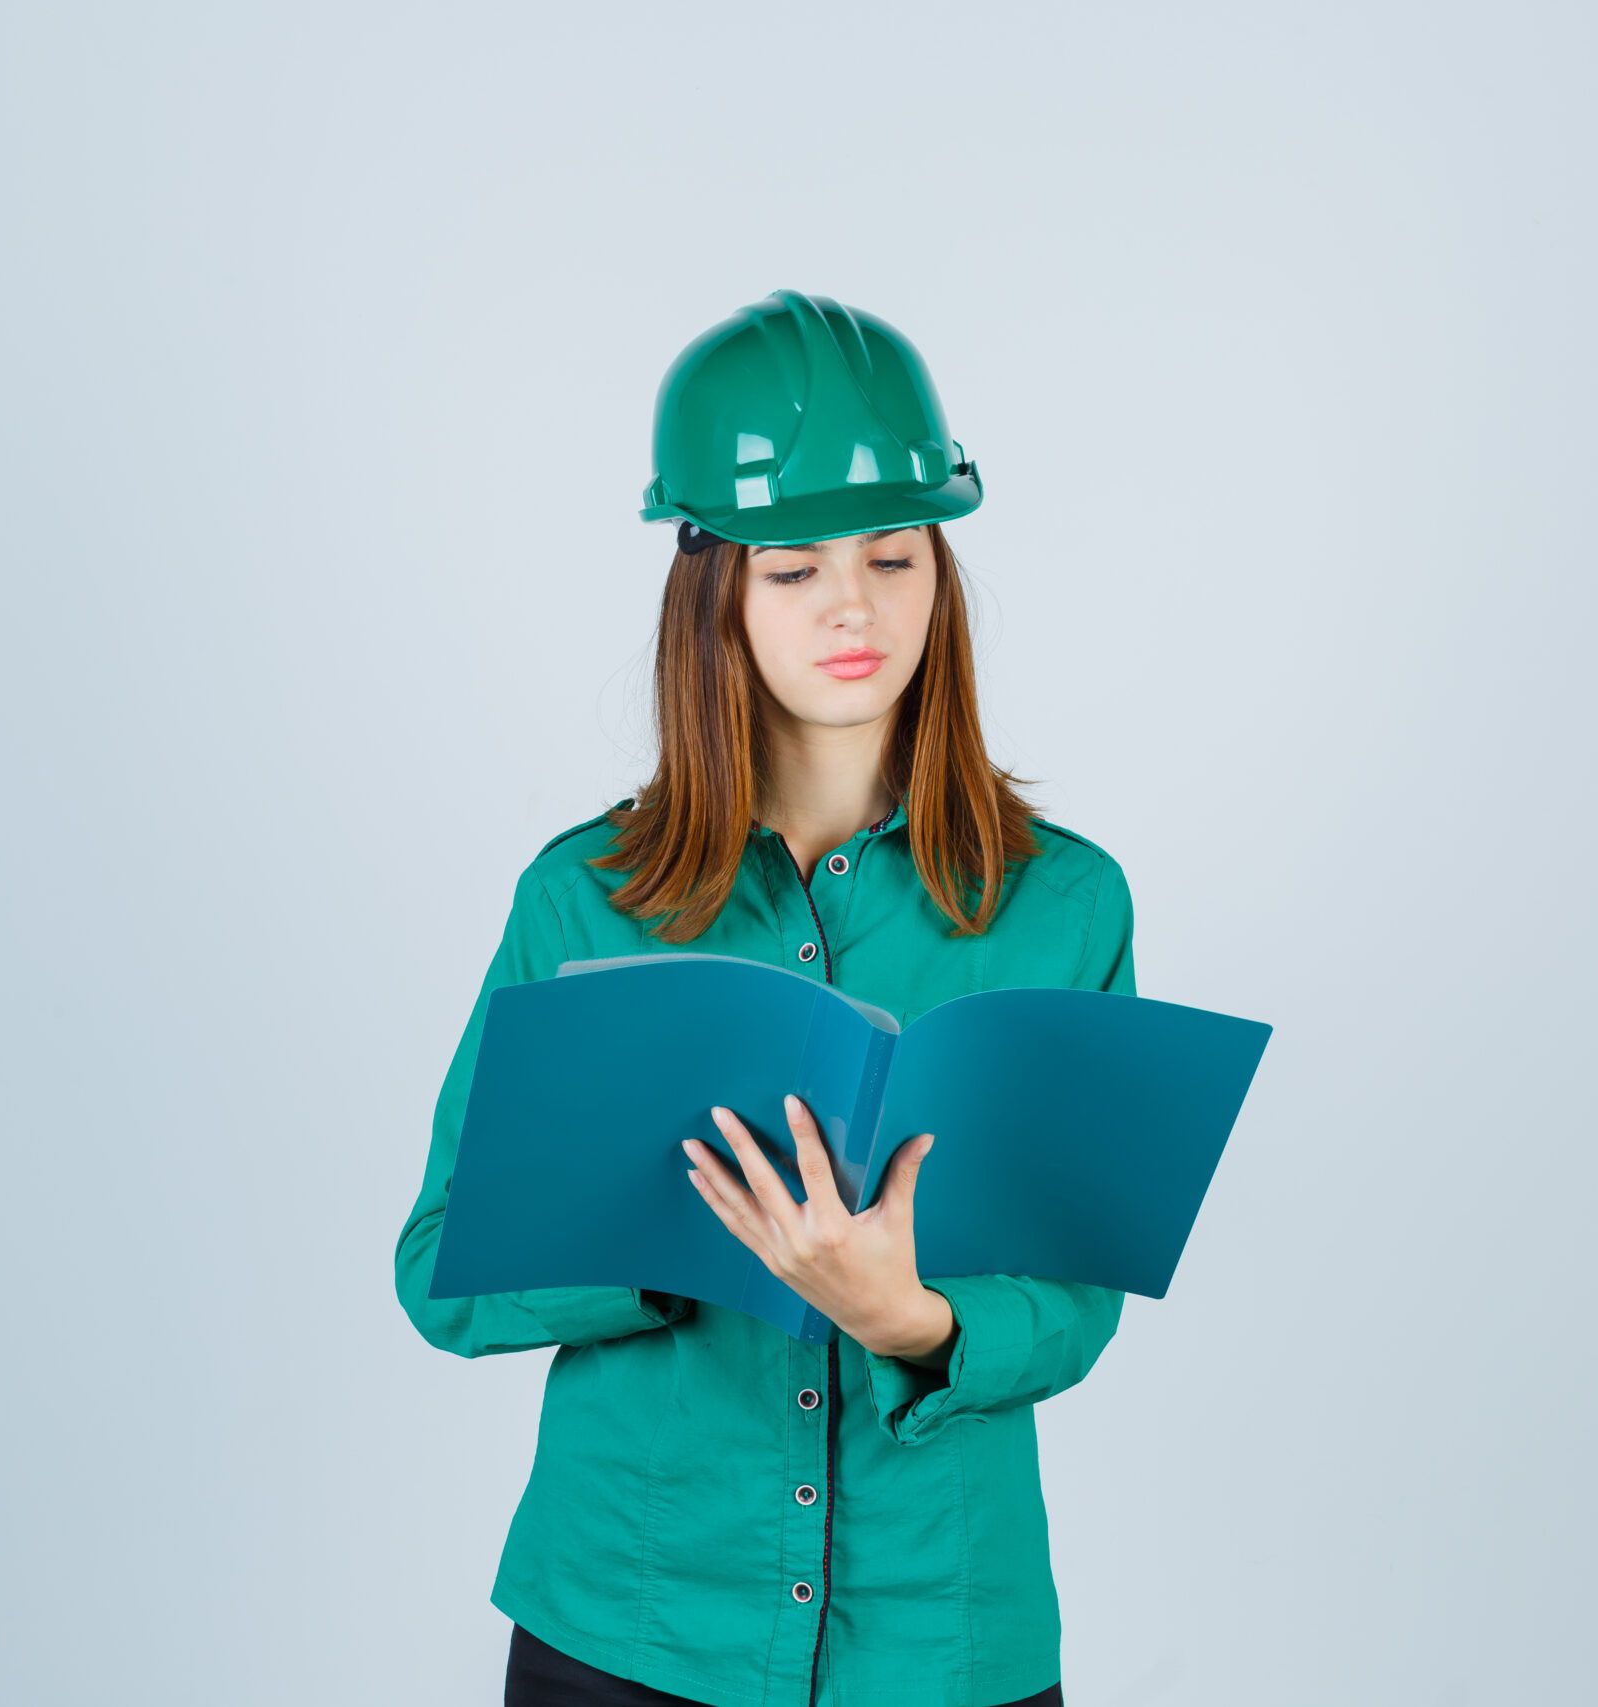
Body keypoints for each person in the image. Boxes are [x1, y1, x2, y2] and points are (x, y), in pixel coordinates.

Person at [394, 289, 1134, 1707]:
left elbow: (1076, 1299)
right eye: (791, 567)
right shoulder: (582, 900)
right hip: (627, 1632)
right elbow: (441, 1268)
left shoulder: (1068, 905)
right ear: (712, 586)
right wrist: (668, 1239)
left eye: (893, 555)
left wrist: (910, 1317)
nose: (852, 604)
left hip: (944, 1648)